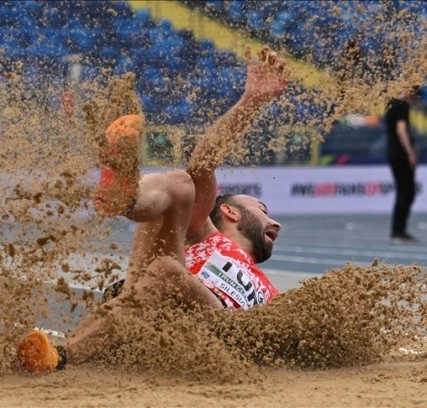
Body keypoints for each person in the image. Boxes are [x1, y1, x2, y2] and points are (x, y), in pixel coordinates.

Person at [16, 46, 290, 373]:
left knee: (167, 270)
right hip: (159, 305)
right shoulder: (207, 236)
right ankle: (127, 197)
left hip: (220, 331)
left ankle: (63, 355)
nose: (275, 222)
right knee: (180, 183)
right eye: (261, 208)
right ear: (231, 212)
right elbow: (202, 164)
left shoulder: (272, 292)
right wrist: (251, 103)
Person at [385, 87, 420, 244]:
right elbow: (401, 130)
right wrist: (410, 152)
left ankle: (398, 229)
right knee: (407, 192)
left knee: (404, 192)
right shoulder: (402, 105)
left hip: (393, 153)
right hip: (401, 154)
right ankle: (398, 230)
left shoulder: (391, 105)